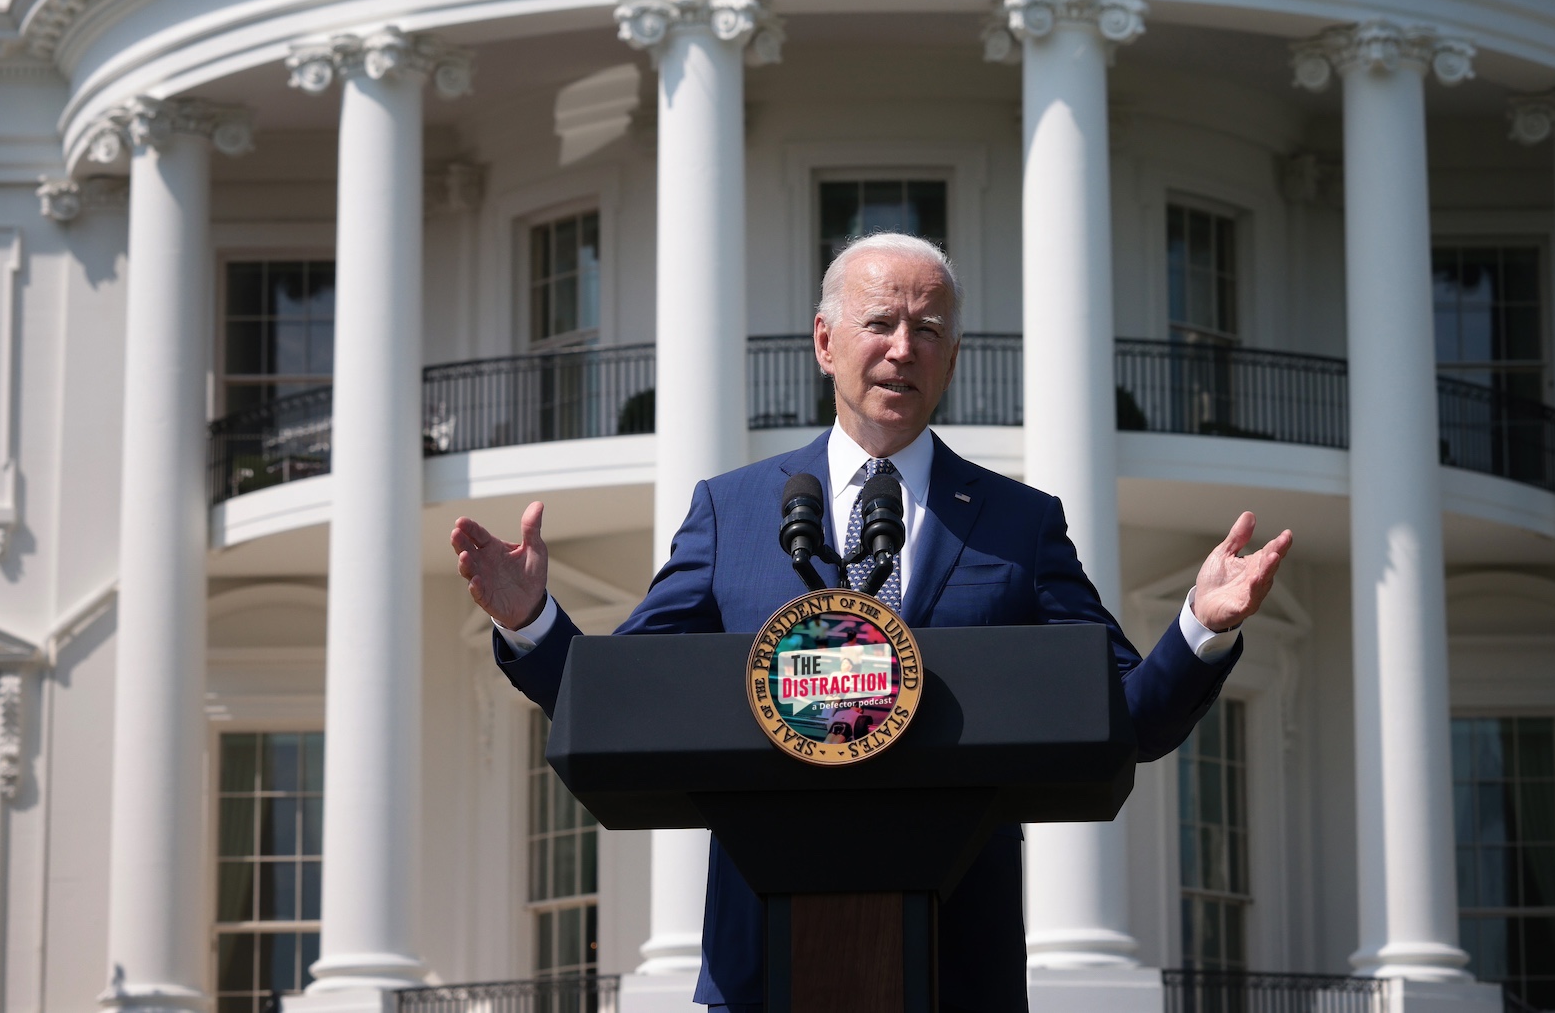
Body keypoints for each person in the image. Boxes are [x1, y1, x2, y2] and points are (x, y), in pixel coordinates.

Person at [451, 232, 1292, 1013]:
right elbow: (626, 704)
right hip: (762, 964)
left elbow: (1127, 717)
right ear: (825, 341)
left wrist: (1199, 627)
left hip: (959, 962)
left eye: (928, 329)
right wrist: (533, 622)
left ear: (953, 357)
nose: (902, 347)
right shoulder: (734, 511)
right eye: (880, 321)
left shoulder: (1017, 522)